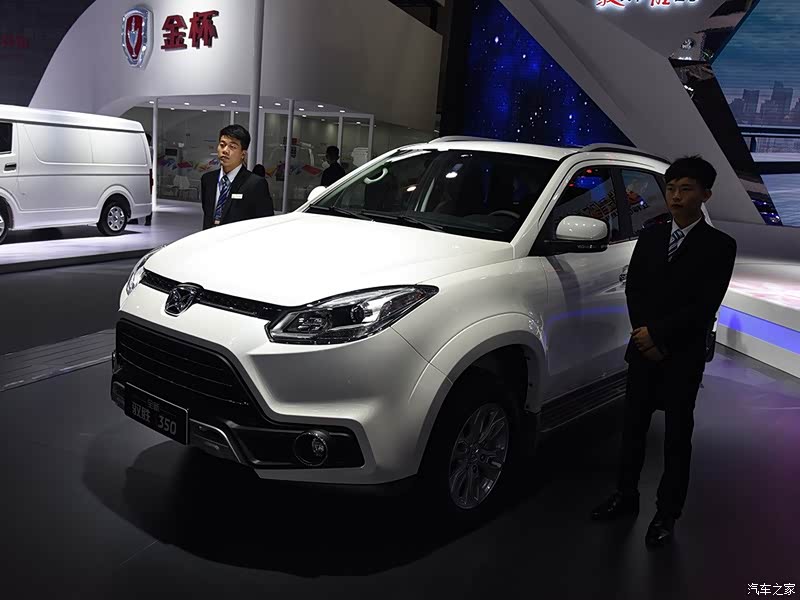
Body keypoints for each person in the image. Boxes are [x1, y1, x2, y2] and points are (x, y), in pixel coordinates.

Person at [590, 156, 737, 549]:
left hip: (681, 355)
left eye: (685, 189)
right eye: (671, 188)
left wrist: (657, 336)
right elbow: (634, 289)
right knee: (632, 431)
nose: (675, 196)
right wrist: (643, 335)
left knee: (676, 438)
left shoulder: (720, 246)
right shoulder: (652, 235)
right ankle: (625, 495)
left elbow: (704, 305)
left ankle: (667, 513)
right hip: (643, 350)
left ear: (705, 194)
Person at [201, 125, 273, 230]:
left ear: (243, 154)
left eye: (232, 147)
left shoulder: (255, 184)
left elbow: (265, 223)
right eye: (222, 145)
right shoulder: (208, 180)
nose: (225, 150)